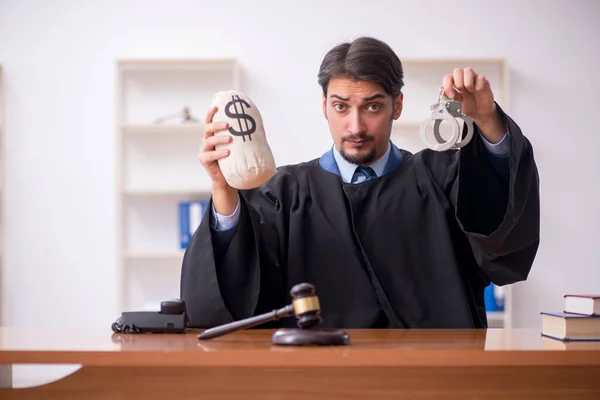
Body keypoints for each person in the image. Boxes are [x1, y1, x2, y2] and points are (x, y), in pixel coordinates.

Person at [180, 36, 540, 330]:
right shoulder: (283, 193)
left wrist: (488, 122)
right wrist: (223, 190)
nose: (355, 127)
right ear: (324, 106)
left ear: (397, 106)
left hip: (433, 377)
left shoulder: (440, 179)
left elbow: (499, 241)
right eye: (341, 107)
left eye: (372, 107)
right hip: (319, 380)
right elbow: (234, 298)